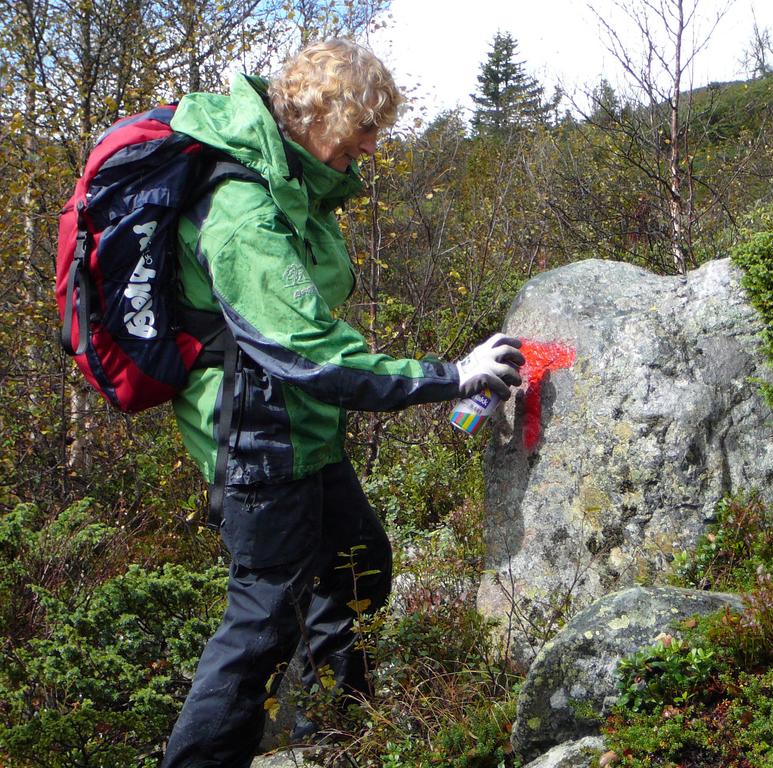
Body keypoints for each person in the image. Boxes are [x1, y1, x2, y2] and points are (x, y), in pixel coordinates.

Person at [161, 38, 523, 767]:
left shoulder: (289, 182)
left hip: (302, 433)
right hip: (260, 443)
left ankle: (332, 732)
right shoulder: (242, 209)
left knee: (359, 563)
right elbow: (307, 353)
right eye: (364, 127)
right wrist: (448, 377)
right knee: (262, 626)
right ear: (319, 113)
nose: (371, 145)